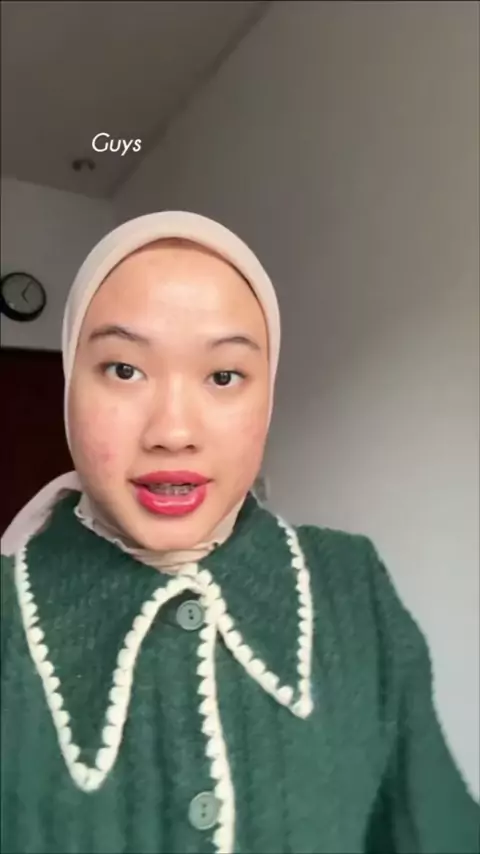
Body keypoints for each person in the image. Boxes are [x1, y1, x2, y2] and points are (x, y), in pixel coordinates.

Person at [1, 211, 478, 854]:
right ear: (69, 386)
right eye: (124, 370)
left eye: (224, 376)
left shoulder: (349, 584)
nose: (173, 432)